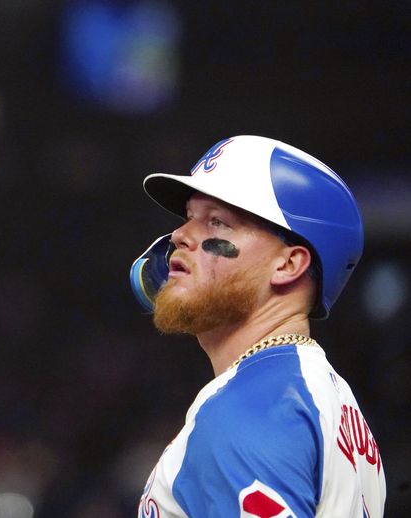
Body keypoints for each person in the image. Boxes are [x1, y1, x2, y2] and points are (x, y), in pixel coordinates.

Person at [129, 136, 386, 517]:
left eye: (217, 221)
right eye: (188, 217)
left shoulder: (252, 407)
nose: (180, 235)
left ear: (288, 265)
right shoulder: (322, 395)